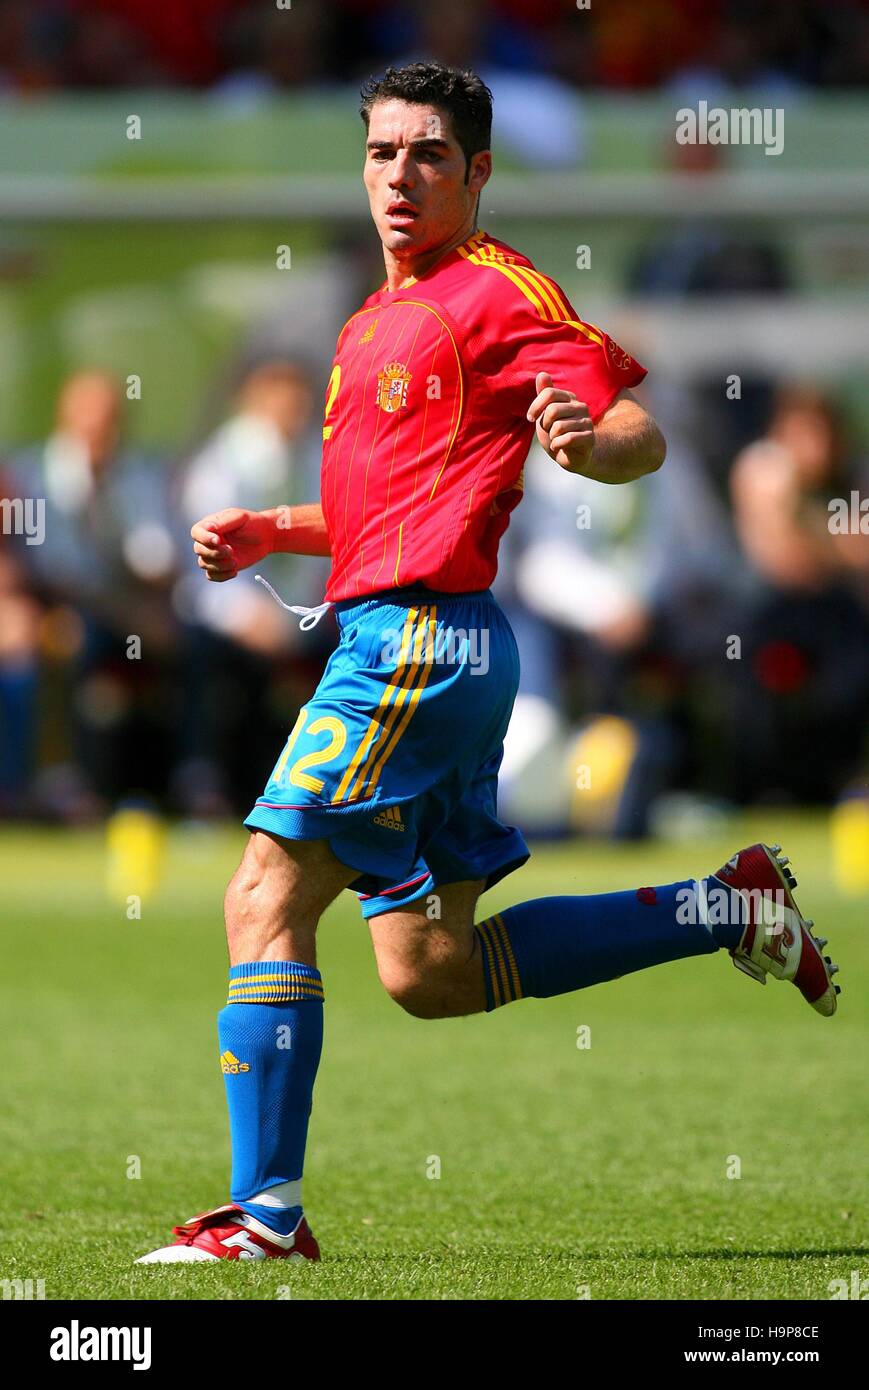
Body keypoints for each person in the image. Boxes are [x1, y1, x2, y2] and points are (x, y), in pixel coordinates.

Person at [136, 63, 840, 1266]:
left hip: (416, 646)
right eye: (380, 154)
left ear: (476, 172)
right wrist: (271, 531)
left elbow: (635, 428)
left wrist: (587, 440)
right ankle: (722, 906)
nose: (398, 176)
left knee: (261, 890)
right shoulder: (369, 322)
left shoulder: (498, 289)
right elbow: (386, 511)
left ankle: (262, 1217)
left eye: (426, 155)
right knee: (430, 969)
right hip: (421, 642)